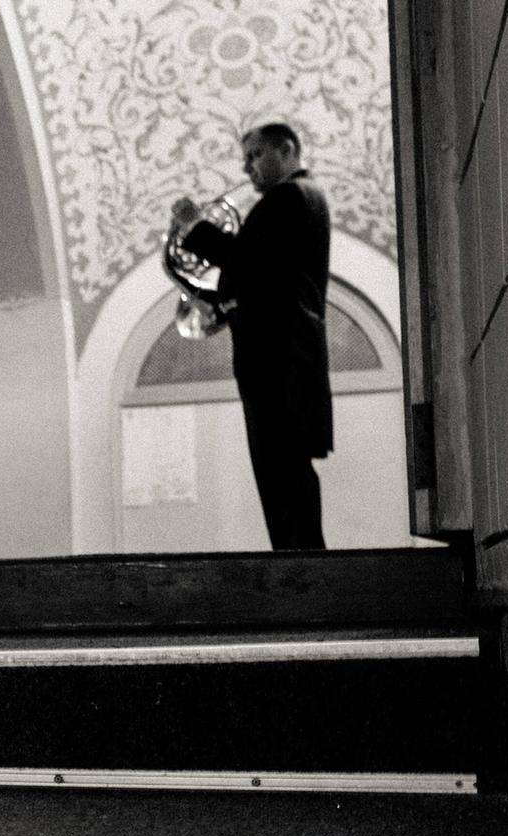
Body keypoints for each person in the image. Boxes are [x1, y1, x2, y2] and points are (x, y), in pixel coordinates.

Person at [171, 122, 332, 550]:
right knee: (283, 475)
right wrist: (217, 300)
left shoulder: (290, 197)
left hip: (278, 357)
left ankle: (301, 575)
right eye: (246, 160)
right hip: (284, 352)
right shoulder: (299, 199)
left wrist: (193, 226)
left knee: (281, 475)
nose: (247, 169)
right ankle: (301, 567)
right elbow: (266, 277)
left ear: (287, 148)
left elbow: (246, 260)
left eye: (255, 156)